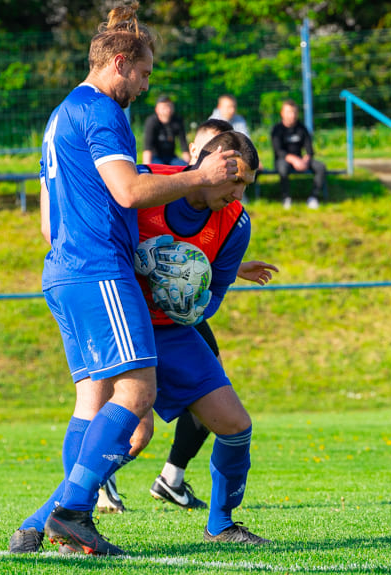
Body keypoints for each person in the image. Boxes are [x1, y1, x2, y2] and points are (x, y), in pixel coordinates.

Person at [7, 2, 240, 556]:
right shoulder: (104, 113)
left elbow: (47, 221)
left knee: (93, 400)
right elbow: (130, 192)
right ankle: (70, 513)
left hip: (62, 273)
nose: (144, 84)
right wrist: (199, 176)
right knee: (138, 394)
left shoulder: (60, 114)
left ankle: (57, 524)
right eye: (144, 73)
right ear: (119, 63)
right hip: (99, 272)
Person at [134, 129, 271, 544]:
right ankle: (55, 515)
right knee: (133, 433)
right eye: (235, 181)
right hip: (125, 319)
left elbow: (214, 297)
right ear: (213, 163)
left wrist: (186, 302)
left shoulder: (236, 224)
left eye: (245, 185)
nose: (238, 193)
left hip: (174, 330)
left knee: (235, 423)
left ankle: (222, 524)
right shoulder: (144, 182)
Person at [271, 99, 326, 210]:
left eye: (294, 112)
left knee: (321, 167)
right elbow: (278, 151)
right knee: (283, 168)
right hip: (283, 160)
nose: (292, 115)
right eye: (289, 112)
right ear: (282, 113)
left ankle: (313, 197)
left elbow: (309, 149)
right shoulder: (276, 130)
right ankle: (286, 198)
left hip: (301, 160)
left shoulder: (302, 128)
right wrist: (293, 160)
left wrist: (305, 160)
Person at [142, 95, 190, 166]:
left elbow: (183, 144)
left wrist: (188, 165)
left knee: (183, 167)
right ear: (157, 110)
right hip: (156, 157)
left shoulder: (177, 121)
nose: (168, 109)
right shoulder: (151, 122)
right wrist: (146, 167)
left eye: (170, 106)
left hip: (171, 157)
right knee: (159, 170)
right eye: (164, 107)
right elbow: (147, 146)